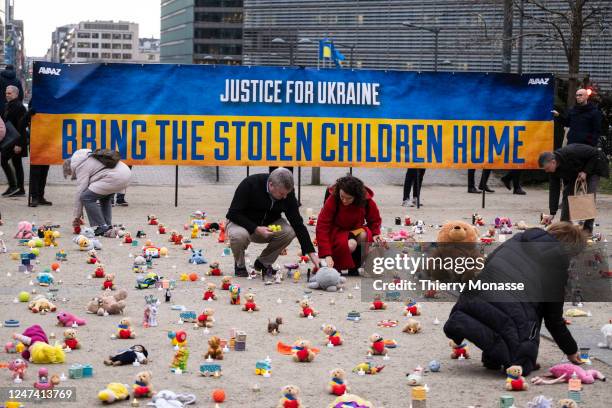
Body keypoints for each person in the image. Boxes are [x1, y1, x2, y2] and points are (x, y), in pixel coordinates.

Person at [444, 222, 586, 376]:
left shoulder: (518, 239)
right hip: (511, 316)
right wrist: (571, 350)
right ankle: (511, 357)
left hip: (473, 303)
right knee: (527, 318)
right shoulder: (557, 265)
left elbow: (488, 264)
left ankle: (494, 356)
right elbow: (553, 320)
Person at [226, 167, 319, 277]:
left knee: (290, 231)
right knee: (238, 235)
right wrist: (255, 228)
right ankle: (240, 265)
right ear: (271, 185)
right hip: (243, 224)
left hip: (269, 226)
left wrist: (312, 254)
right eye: (281, 194)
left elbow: (297, 223)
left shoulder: (287, 193)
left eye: (287, 194)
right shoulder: (250, 183)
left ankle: (263, 263)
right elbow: (233, 213)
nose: (285, 197)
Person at [316, 175, 382, 275]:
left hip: (355, 230)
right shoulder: (333, 199)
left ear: (357, 197)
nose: (344, 201)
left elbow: (374, 220)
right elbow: (322, 225)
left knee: (365, 234)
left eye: (349, 198)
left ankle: (355, 266)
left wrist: (376, 233)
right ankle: (336, 264)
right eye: (342, 197)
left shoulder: (366, 200)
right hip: (337, 231)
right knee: (351, 244)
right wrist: (327, 254)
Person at [539, 143, 608, 233]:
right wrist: (552, 213)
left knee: (589, 196)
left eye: (547, 168)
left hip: (593, 165)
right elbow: (554, 190)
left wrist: (585, 171)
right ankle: (565, 226)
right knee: (567, 194)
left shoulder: (570, 153)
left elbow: (595, 153)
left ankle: (587, 229)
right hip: (577, 171)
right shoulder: (552, 171)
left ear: (553, 162)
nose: (546, 171)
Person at [63, 149, 132, 236]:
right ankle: (107, 225)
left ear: (70, 167)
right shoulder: (89, 157)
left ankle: (102, 226)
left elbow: (80, 192)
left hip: (115, 177)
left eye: (70, 173)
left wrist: (77, 216)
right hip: (126, 174)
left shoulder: (80, 166)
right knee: (104, 197)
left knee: (86, 197)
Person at [1, 85, 28, 197]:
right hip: (9, 140)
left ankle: (14, 186)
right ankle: (18, 188)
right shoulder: (8, 106)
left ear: (16, 94)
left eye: (9, 93)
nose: (7, 95)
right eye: (6, 93)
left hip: (16, 141)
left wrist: (19, 144)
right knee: (16, 164)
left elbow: (22, 127)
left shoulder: (19, 107)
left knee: (5, 161)